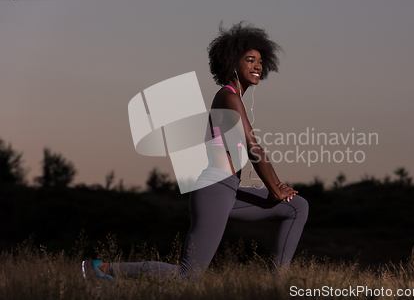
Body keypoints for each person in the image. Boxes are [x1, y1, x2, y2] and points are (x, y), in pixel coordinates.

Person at [82, 22, 309, 282]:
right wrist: (275, 187)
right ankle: (102, 269)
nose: (257, 66)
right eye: (250, 60)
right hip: (214, 190)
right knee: (188, 276)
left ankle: (274, 286)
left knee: (297, 207)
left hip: (228, 191)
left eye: (260, 61)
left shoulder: (234, 97)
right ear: (231, 61)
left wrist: (276, 191)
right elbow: (252, 145)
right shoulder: (228, 96)